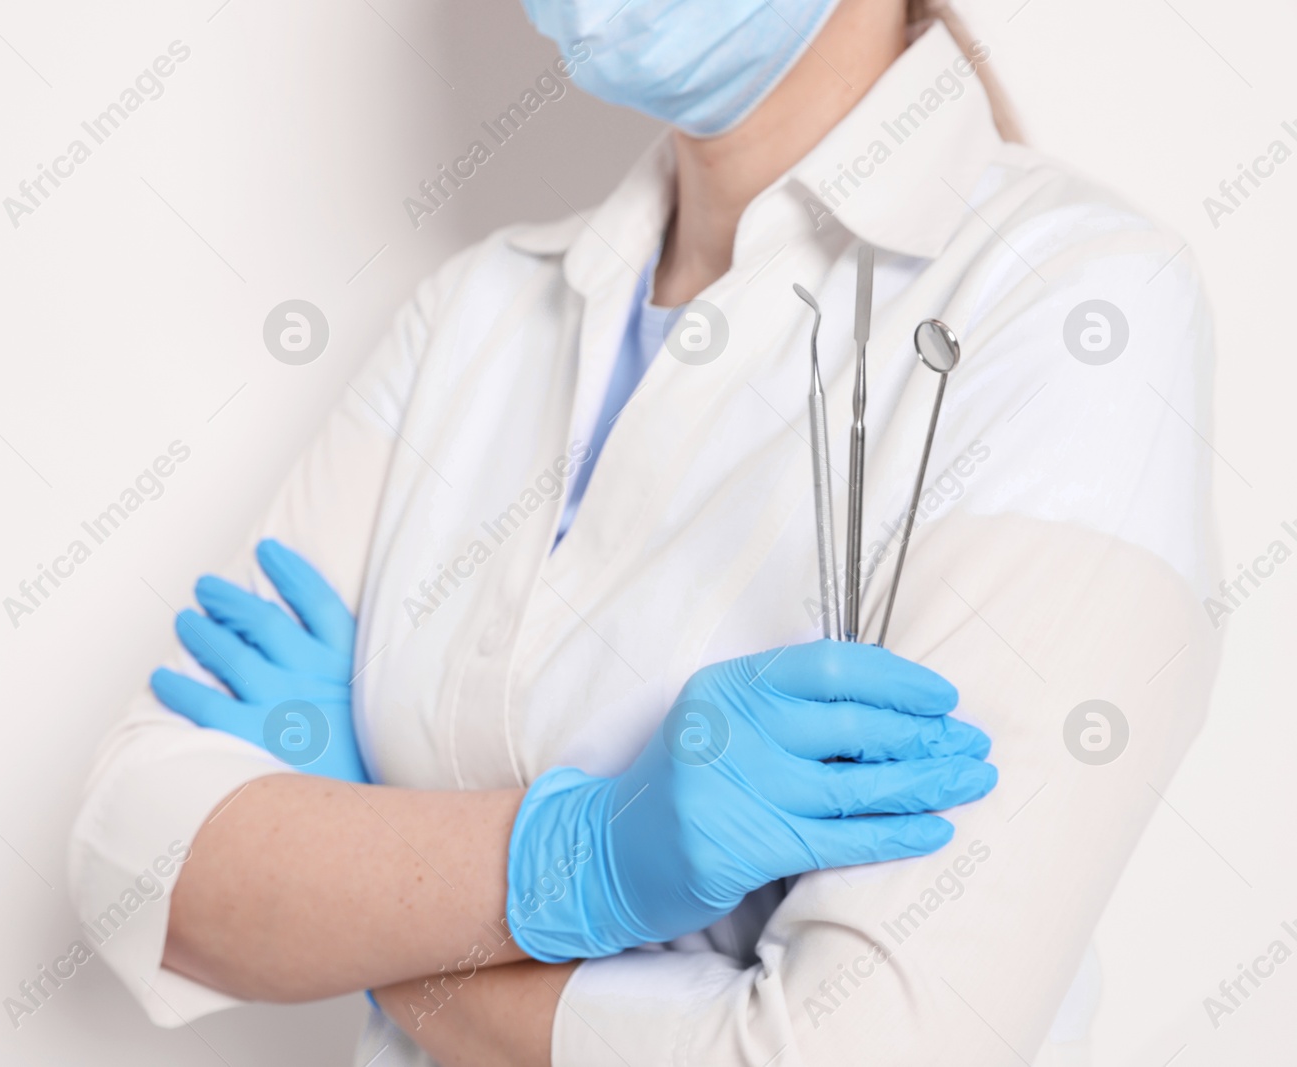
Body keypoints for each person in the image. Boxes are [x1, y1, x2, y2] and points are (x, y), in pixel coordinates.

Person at [67, 0, 1219, 1062]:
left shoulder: (1075, 305)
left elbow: (861, 1045)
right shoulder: (476, 313)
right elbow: (134, 857)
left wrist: (377, 903)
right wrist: (582, 854)